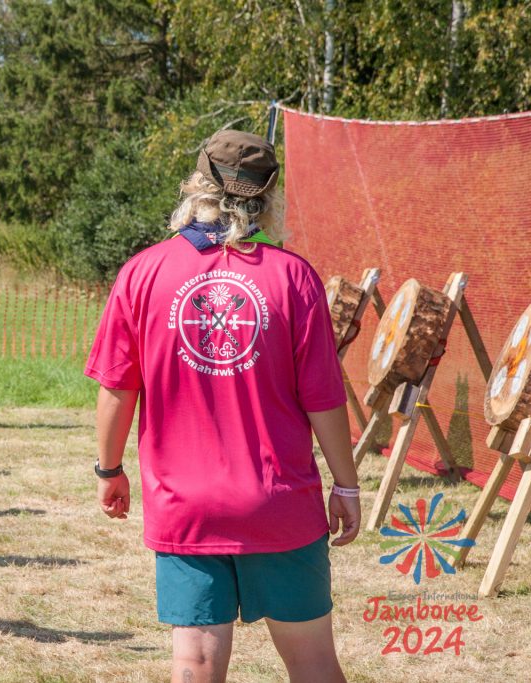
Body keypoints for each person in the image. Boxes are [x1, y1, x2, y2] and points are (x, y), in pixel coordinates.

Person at [86, 129, 361, 683]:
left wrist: (109, 470)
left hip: (186, 506)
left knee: (195, 663)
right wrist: (347, 485)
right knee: (312, 662)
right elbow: (324, 398)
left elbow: (117, 388)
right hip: (279, 502)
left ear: (196, 184)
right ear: (266, 196)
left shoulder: (142, 272)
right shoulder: (294, 277)